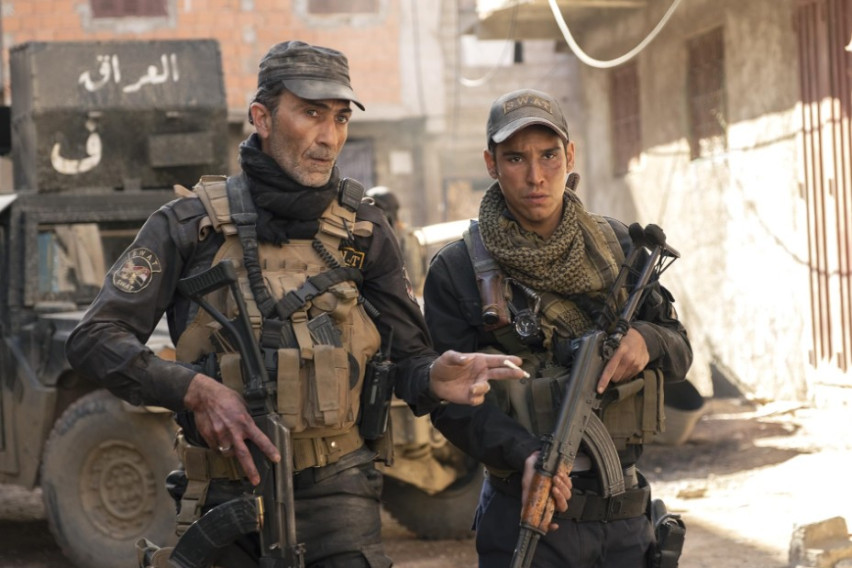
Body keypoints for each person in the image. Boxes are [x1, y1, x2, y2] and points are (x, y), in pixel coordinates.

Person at [65, 40, 526, 568]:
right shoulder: (188, 225)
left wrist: (431, 376)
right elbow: (94, 339)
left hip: (339, 500)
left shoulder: (365, 230)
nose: (329, 137)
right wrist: (195, 391)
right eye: (310, 113)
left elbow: (408, 360)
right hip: (222, 497)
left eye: (340, 118)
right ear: (262, 117)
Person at [423, 88, 693, 567]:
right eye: (515, 158)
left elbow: (680, 351)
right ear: (491, 163)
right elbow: (450, 404)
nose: (536, 176)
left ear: (570, 156)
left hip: (625, 516)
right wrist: (526, 454)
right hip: (524, 507)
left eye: (548, 155)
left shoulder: (617, 246)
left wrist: (647, 340)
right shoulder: (457, 270)